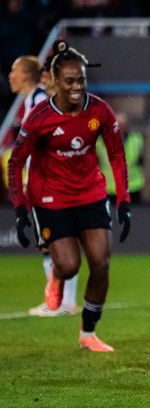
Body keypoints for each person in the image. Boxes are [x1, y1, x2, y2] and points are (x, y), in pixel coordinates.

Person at [8, 41, 131, 352]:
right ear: (56, 82)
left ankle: (88, 333)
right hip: (51, 199)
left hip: (90, 193)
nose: (77, 87)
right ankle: (57, 279)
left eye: (81, 80)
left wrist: (124, 200)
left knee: (101, 263)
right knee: (69, 266)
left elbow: (116, 155)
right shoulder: (39, 116)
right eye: (70, 81)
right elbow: (16, 161)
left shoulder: (99, 110)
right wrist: (20, 207)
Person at [7, 54, 80, 317]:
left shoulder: (39, 101)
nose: (10, 76)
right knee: (49, 242)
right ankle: (60, 301)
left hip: (51, 182)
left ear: (26, 75)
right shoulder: (31, 102)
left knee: (56, 241)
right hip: (43, 182)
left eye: (14, 71)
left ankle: (64, 302)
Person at [97, 111, 144, 203]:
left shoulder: (137, 139)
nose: (118, 127)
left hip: (132, 187)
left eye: (122, 124)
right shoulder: (99, 142)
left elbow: (142, 160)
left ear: (127, 126)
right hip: (108, 189)